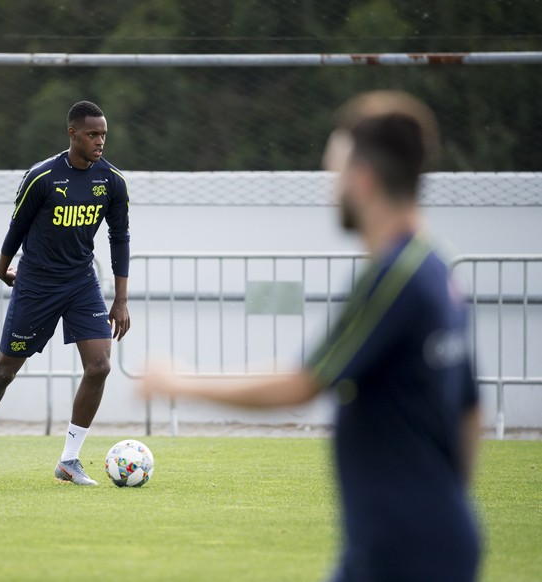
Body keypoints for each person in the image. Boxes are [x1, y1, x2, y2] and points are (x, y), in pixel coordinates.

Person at [140, 91, 481, 581]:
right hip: (409, 539)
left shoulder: (396, 276)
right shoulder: (437, 266)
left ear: (361, 181)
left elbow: (303, 383)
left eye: (333, 174)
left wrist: (179, 382)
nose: (330, 189)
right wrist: (445, 507)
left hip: (403, 548)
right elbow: (470, 411)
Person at [0, 100, 131, 486]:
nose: (100, 141)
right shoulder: (42, 177)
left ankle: (69, 460)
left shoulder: (112, 181)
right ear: (72, 134)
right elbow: (17, 227)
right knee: (3, 373)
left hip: (81, 282)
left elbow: (120, 238)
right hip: (36, 283)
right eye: (92, 134)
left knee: (100, 366)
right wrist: (2, 267)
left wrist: (120, 299)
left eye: (103, 134)